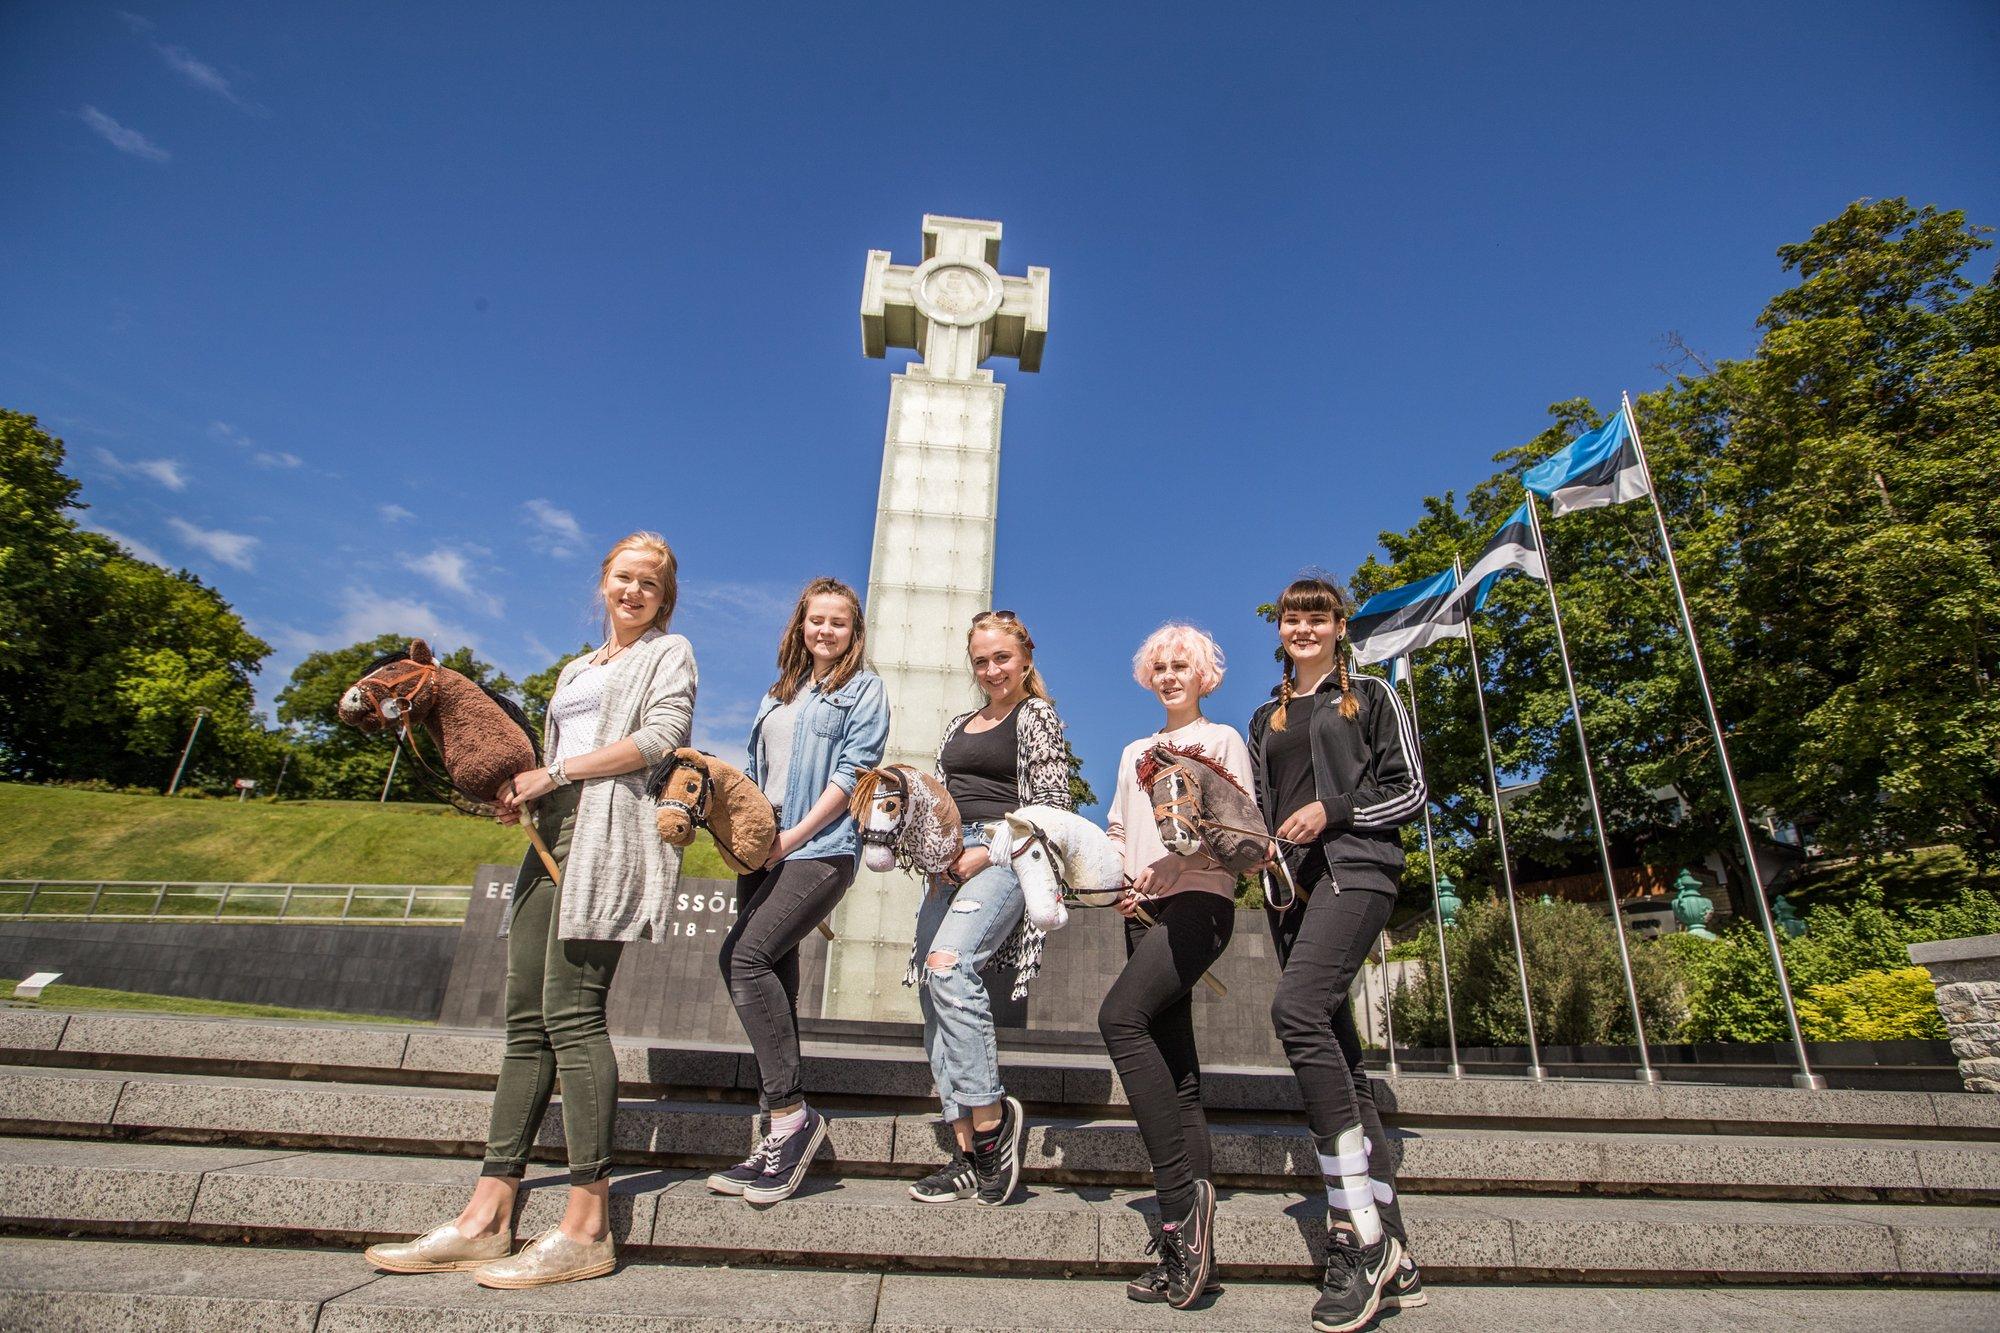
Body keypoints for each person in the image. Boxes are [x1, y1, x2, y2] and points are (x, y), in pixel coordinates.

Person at [364, 532, 697, 1288]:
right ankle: (486, 1216)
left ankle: (586, 1225)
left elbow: (659, 739)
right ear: (602, 584)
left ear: (664, 596)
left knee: (573, 1013)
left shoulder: (669, 653)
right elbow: (550, 747)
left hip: (605, 828)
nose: (634, 590)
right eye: (623, 577)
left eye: (650, 581)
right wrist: (521, 792)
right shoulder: (579, 667)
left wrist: (557, 772)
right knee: (524, 1019)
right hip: (547, 830)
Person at [1247, 576, 1427, 1332]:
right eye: (1292, 617)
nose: (1304, 626)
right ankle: (1399, 1248)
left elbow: (1412, 787)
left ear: (1341, 626)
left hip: (1358, 870)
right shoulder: (1266, 714)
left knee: (1295, 1010)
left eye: (1317, 616)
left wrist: (1335, 809)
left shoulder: (1374, 696)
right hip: (1292, 892)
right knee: (1341, 1054)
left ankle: (1356, 1231)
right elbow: (1258, 807)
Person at [708, 578, 888, 1204]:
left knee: (743, 957)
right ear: (800, 625)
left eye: (838, 622)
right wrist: (745, 836)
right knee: (772, 973)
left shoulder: (863, 690)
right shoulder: (778, 692)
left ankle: (790, 1117)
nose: (826, 631)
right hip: (763, 848)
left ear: (853, 632)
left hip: (820, 848)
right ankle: (778, 1133)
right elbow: (755, 775)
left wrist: (792, 837)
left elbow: (853, 774)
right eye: (817, 620)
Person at [1100, 623, 1253, 1309]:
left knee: (1119, 1018)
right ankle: (1188, 1247)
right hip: (1139, 912)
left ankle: (1178, 1205)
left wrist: (1176, 862)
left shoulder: (1220, 743)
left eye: (1181, 665)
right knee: (1180, 1075)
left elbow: (1242, 832)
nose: (1168, 675)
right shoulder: (1134, 750)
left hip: (1199, 903)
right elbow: (1116, 828)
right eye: (1158, 666)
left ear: (1205, 675)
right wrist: (1115, 877)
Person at [905, 610, 1073, 1208]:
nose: (991, 669)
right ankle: (966, 1155)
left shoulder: (1037, 717)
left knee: (951, 965)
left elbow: (1052, 805)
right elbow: (942, 796)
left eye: (1002, 657)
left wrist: (983, 849)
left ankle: (992, 1123)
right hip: (947, 860)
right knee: (932, 988)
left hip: (1004, 852)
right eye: (981, 660)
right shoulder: (959, 723)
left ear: (1025, 657)